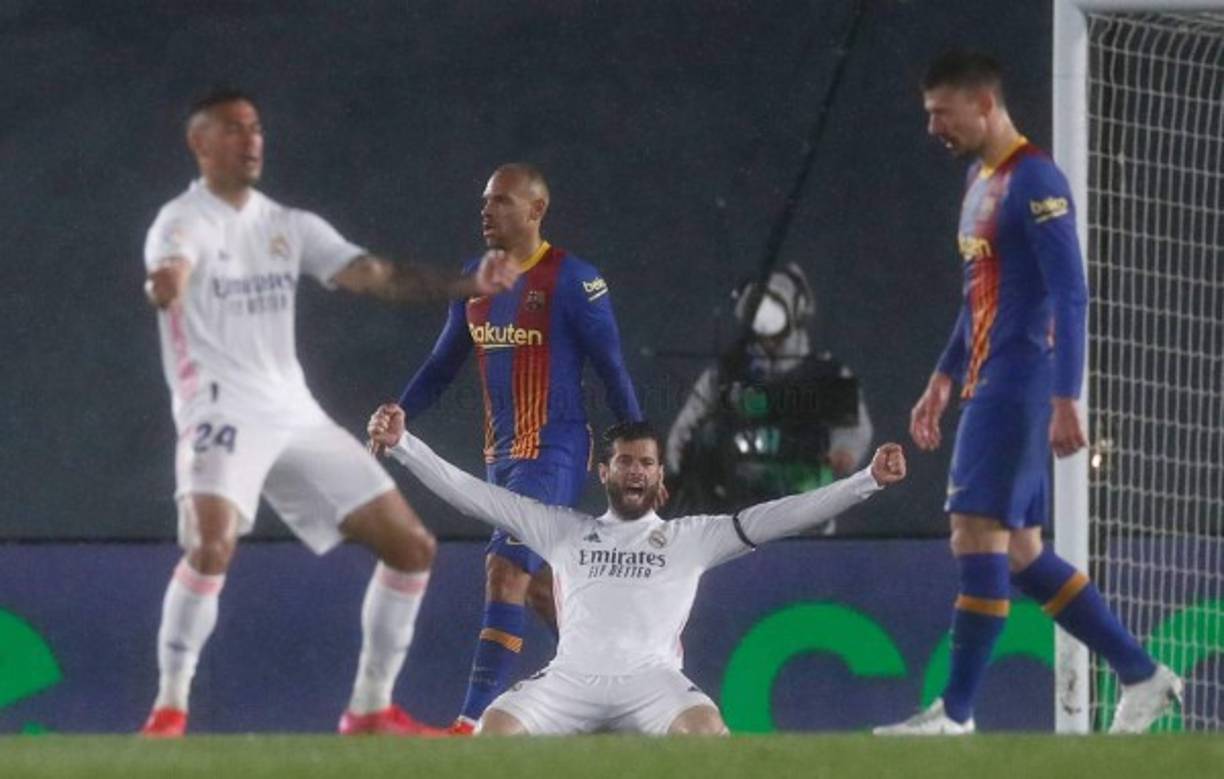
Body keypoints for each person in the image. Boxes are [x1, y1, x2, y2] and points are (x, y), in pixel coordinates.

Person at [139, 87, 517, 737]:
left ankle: (369, 708)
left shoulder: (287, 226)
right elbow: (170, 268)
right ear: (200, 144)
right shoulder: (183, 221)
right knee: (210, 545)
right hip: (219, 407)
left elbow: (376, 275)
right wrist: (164, 283)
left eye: (255, 127)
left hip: (292, 411)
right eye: (232, 129)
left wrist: (470, 284)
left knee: (411, 547)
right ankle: (169, 709)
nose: (251, 139)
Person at [873, 50, 1181, 736]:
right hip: (988, 377)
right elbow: (978, 296)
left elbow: (1070, 289)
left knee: (973, 533)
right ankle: (1143, 673)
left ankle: (954, 715)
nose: (932, 128)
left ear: (984, 104)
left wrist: (1067, 395)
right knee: (1020, 552)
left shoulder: (1035, 178)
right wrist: (942, 376)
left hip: (1018, 384)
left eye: (940, 113)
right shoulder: (980, 180)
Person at [368, 406, 906, 734]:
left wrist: (867, 482)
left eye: (646, 463)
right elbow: (475, 497)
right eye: (625, 461)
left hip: (652, 684)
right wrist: (405, 446)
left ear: (659, 476)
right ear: (604, 471)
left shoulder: (691, 538)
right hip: (569, 682)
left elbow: (780, 516)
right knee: (493, 735)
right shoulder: (564, 528)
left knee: (707, 732)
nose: (636, 471)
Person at [390, 163, 643, 734]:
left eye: (501, 201)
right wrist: (401, 409)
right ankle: (625, 688)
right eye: (485, 201)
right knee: (534, 589)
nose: (486, 211)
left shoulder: (574, 281)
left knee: (503, 570)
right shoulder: (475, 280)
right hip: (501, 460)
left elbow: (614, 371)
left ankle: (471, 724)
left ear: (536, 211)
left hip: (553, 453)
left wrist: (640, 456)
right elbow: (442, 364)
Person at [666, 262, 872, 528]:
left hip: (803, 511)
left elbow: (855, 429)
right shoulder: (728, 374)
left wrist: (844, 452)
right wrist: (676, 470)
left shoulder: (826, 375)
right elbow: (687, 427)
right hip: (733, 517)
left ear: (793, 310)